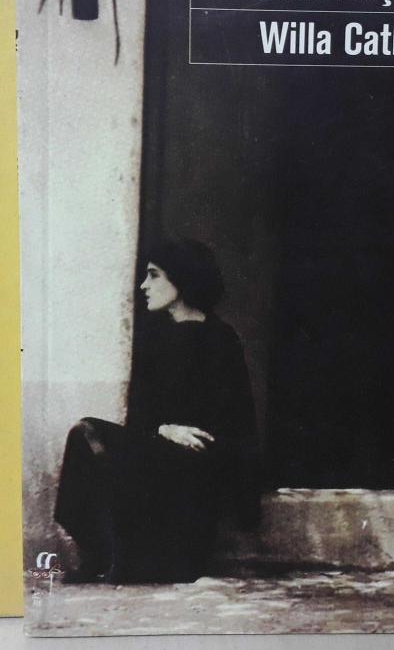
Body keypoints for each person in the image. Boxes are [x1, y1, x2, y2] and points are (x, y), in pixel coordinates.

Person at [54, 239, 261, 584]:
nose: (143, 286)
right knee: (86, 434)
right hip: (157, 452)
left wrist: (243, 499)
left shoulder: (221, 339)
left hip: (198, 466)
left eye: (153, 275)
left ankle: (150, 559)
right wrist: (165, 430)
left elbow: (236, 422)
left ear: (182, 278)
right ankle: (102, 555)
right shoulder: (154, 339)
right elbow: (141, 417)